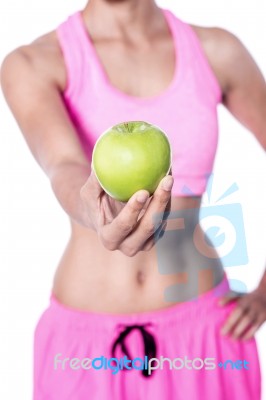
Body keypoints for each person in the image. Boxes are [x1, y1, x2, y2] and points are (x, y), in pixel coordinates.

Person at [1, 0, 266, 398]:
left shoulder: (217, 51)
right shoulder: (34, 62)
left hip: (208, 338)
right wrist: (94, 211)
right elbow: (64, 166)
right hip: (84, 352)